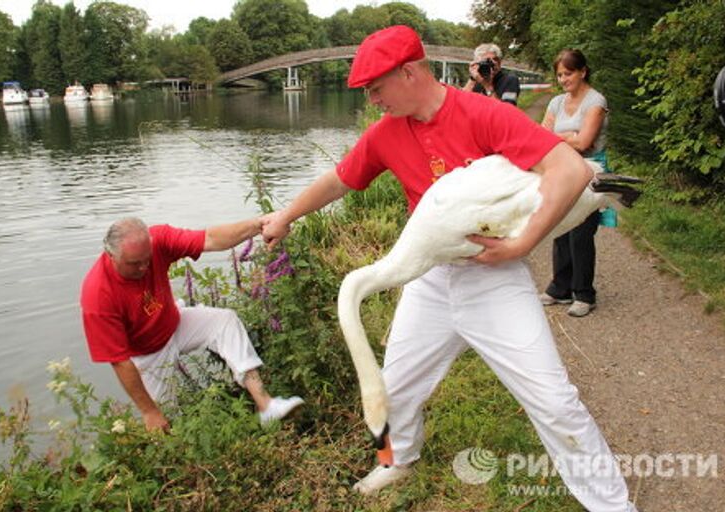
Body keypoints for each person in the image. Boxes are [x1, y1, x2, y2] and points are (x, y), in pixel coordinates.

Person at [262, 26, 638, 511]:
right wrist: (286, 215)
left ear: (410, 72)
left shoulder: (485, 114)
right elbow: (339, 180)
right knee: (395, 386)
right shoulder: (386, 134)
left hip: (494, 279)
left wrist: (522, 243)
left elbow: (571, 170)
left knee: (552, 398)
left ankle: (612, 505)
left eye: (376, 88)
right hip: (431, 278)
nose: (371, 99)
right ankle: (398, 460)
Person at [80, 217, 304, 432]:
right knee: (164, 420)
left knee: (224, 321)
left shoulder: (158, 239)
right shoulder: (97, 294)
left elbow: (211, 239)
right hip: (147, 354)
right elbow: (119, 361)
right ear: (111, 255)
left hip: (174, 323)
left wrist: (258, 225)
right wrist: (149, 411)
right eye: (134, 263)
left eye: (147, 260)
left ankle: (266, 405)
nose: (143, 268)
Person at [539, 49, 610, 318]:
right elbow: (540, 135)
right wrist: (570, 136)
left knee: (581, 233)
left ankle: (584, 294)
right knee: (560, 228)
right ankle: (560, 288)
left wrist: (563, 138)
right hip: (562, 170)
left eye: (568, 73)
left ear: (582, 71)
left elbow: (585, 142)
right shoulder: (557, 102)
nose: (563, 79)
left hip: (589, 171)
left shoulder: (596, 101)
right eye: (559, 74)